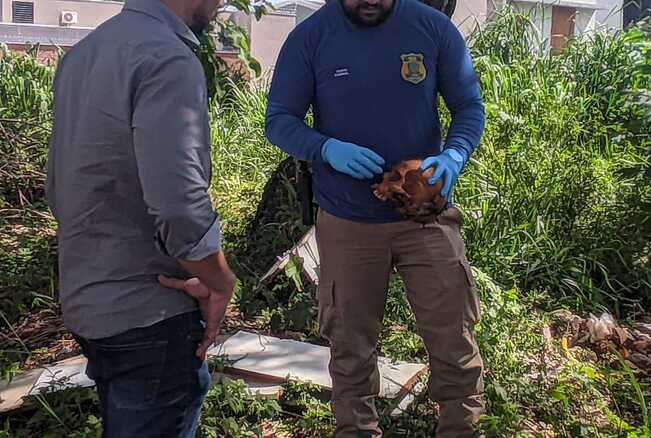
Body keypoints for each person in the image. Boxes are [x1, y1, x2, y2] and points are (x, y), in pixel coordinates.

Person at [265, 0, 486, 435]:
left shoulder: (432, 29)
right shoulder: (311, 37)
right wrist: (326, 149)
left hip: (426, 216)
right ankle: (356, 429)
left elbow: (469, 107)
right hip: (348, 221)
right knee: (349, 343)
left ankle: (461, 427)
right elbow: (279, 121)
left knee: (452, 334)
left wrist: (456, 153)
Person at [46, 0, 236, 436]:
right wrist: (221, 281)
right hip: (150, 315)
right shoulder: (168, 57)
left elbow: (60, 187)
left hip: (89, 304)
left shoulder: (84, 52)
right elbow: (178, 205)